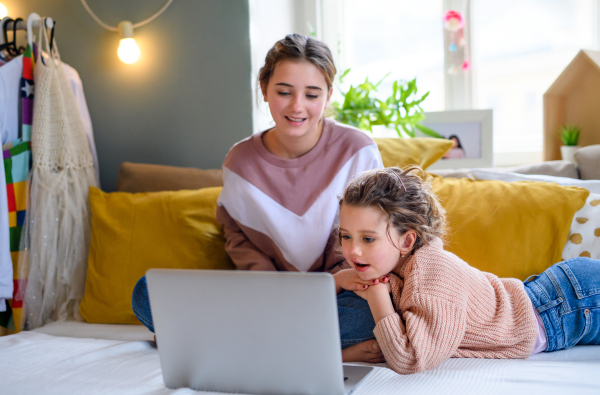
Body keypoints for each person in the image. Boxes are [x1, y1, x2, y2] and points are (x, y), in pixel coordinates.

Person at [132, 34, 386, 362]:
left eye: (312, 94)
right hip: (269, 298)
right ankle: (318, 349)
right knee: (146, 292)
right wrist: (267, 290)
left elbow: (379, 234)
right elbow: (238, 235)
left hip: (341, 294)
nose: (297, 106)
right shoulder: (240, 162)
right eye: (283, 92)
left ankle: (224, 341)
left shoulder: (358, 150)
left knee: (367, 316)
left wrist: (337, 282)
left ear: (328, 96)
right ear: (265, 89)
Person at [337, 165, 600, 374]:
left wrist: (377, 296)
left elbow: (410, 358)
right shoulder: (394, 264)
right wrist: (337, 280)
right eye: (345, 236)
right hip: (552, 298)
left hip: (566, 304)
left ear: (407, 241)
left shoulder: (433, 272)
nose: (353, 251)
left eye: (368, 239)